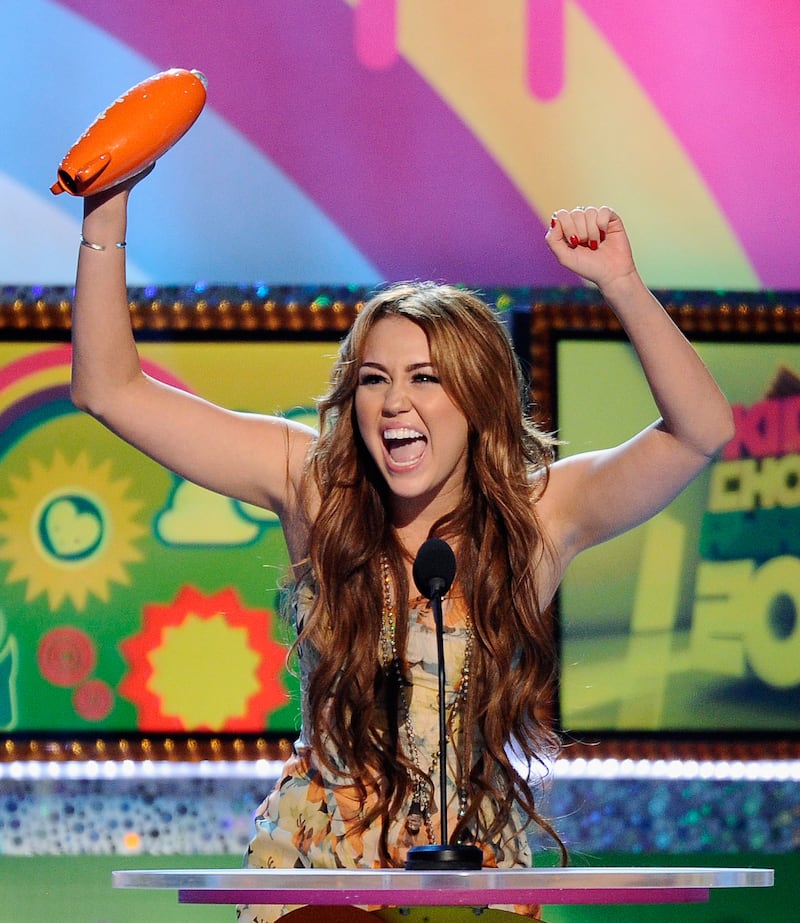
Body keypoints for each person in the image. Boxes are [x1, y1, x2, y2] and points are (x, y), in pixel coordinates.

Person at [70, 176, 734, 922]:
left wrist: (621, 284)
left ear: (478, 397)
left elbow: (701, 431)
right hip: (322, 877)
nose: (394, 403)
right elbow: (109, 390)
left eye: (425, 378)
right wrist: (106, 206)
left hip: (474, 872)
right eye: (374, 379)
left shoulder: (539, 515)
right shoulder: (315, 486)